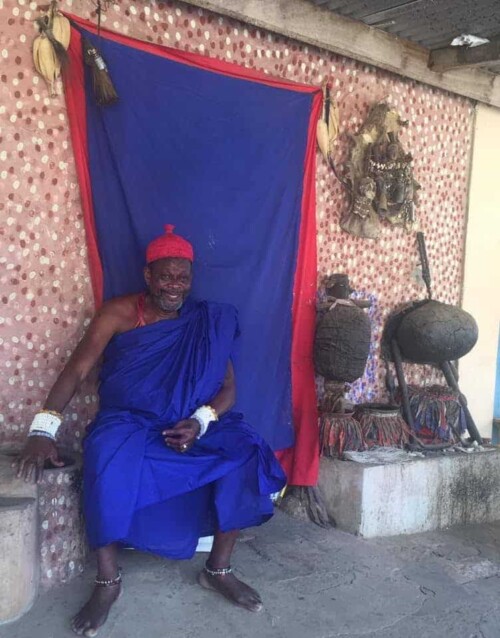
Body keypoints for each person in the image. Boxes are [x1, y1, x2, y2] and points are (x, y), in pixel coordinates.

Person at [15, 224, 287, 637]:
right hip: (129, 420)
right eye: (165, 276)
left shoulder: (207, 321)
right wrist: (44, 428)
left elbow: (229, 387)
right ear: (148, 276)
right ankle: (108, 583)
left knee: (245, 451)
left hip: (191, 422)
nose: (174, 286)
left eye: (182, 277)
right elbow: (79, 367)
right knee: (104, 454)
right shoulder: (119, 313)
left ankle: (218, 569)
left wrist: (201, 421)